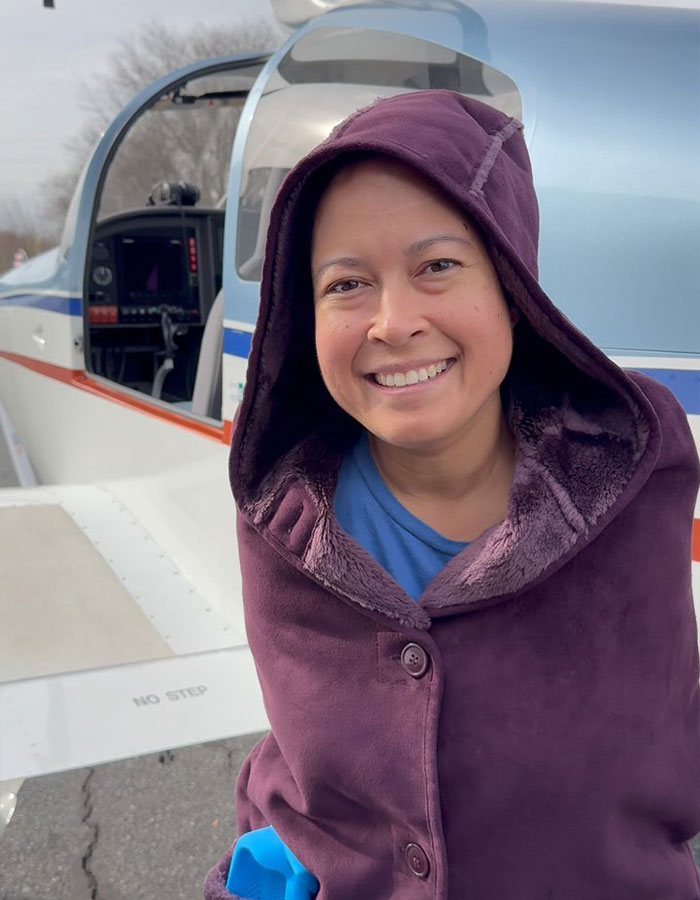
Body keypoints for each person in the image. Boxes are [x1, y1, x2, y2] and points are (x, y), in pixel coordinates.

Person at [205, 90, 700, 899]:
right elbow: (298, 761)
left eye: (437, 266)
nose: (393, 322)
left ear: (510, 285)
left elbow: (663, 737)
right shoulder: (283, 512)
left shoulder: (633, 473)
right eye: (346, 284)